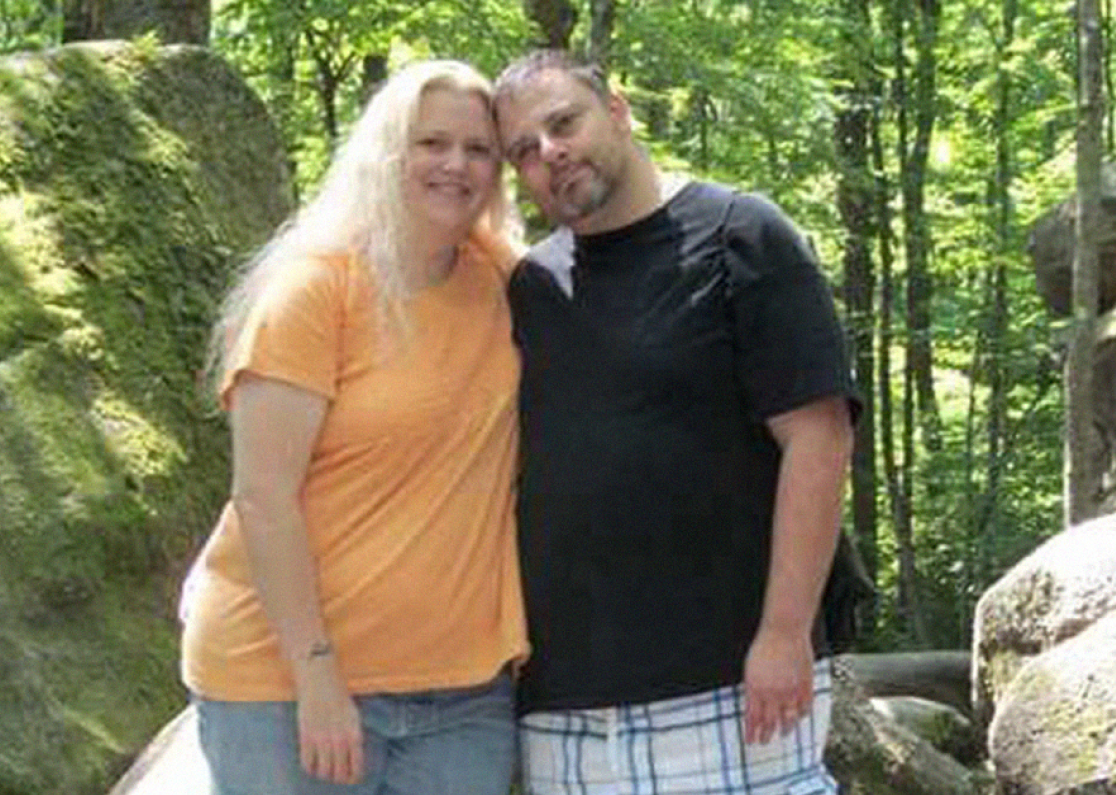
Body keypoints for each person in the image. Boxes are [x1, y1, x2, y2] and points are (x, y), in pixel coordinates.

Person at [493, 50, 858, 795]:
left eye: (564, 123)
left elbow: (819, 440)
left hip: (734, 693)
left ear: (618, 110)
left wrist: (784, 635)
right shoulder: (529, 286)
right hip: (566, 714)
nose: (549, 154)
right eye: (523, 151)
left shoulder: (741, 236)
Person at [178, 59, 528, 795]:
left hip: (464, 697)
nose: (455, 164)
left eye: (478, 149)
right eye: (431, 142)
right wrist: (317, 679)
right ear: (385, 151)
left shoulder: (502, 281)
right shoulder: (317, 288)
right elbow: (262, 498)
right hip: (283, 683)